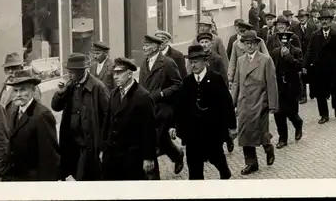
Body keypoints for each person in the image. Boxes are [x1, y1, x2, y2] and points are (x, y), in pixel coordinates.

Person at [170, 45, 237, 180]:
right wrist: (173, 125)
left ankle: (225, 174)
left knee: (217, 159)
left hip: (212, 132)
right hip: (192, 134)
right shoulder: (187, 82)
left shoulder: (216, 79)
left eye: (196, 62)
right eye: (191, 62)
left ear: (205, 61)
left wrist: (232, 126)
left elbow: (227, 103)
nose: (193, 65)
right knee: (194, 170)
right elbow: (179, 106)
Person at [51, 53, 110, 181]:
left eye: (72, 71)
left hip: (88, 143)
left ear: (82, 71)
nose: (69, 74)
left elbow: (108, 118)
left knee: (85, 176)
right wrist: (60, 93)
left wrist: (103, 146)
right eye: (69, 71)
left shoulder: (98, 88)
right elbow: (56, 107)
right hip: (72, 142)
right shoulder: (70, 85)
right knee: (71, 173)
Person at [100, 57, 157, 181]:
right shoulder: (114, 93)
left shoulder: (142, 96)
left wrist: (148, 157)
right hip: (113, 154)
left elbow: (149, 129)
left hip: (132, 156)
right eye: (114, 72)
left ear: (130, 74)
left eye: (119, 73)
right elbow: (107, 122)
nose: (115, 76)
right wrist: (103, 148)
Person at [231, 30, 278, 175]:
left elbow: (271, 82)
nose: (249, 46)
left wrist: (273, 104)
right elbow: (237, 82)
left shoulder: (265, 60)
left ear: (257, 44)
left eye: (252, 43)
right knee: (245, 133)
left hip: (260, 101)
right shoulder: (240, 61)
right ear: (243, 45)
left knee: (261, 131)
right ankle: (251, 163)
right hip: (244, 102)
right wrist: (233, 101)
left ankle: (268, 147)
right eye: (246, 43)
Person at [138, 35, 184, 176]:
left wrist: (162, 93)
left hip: (163, 109)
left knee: (153, 142)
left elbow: (178, 84)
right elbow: (141, 85)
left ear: (156, 47)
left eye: (147, 46)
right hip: (149, 109)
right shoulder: (144, 63)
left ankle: (152, 178)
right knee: (162, 140)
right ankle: (177, 155)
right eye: (144, 45)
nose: (144, 48)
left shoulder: (167, 63)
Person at [4, 68, 60, 181]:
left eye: (23, 90)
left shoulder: (42, 115)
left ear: (33, 90)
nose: (18, 94)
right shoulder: (13, 112)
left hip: (34, 180)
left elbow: (49, 156)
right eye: (15, 90)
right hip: (17, 178)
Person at [303, 9, 336, 124]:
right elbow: (309, 51)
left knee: (335, 93)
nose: (324, 22)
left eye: (326, 20)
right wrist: (305, 65)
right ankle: (324, 115)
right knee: (320, 94)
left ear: (330, 21)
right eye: (322, 20)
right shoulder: (315, 35)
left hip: (334, 70)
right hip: (319, 70)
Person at [197, 32, 234, 153]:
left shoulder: (216, 59)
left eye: (206, 42)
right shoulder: (196, 58)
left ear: (211, 44)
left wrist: (224, 92)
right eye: (202, 42)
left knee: (218, 121)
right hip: (202, 95)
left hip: (215, 95)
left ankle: (227, 137)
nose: (204, 45)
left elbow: (223, 77)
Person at [270, 32, 304, 149]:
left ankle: (298, 124)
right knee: (278, 114)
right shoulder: (275, 52)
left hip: (292, 88)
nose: (284, 43)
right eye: (282, 41)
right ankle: (282, 138)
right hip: (279, 88)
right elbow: (272, 68)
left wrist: (289, 57)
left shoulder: (296, 51)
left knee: (291, 113)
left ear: (290, 41)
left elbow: (300, 66)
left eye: (286, 41)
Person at [228, 21, 269, 87]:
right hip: (242, 75)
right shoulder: (236, 44)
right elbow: (232, 62)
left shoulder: (259, 41)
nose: (242, 35)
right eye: (241, 32)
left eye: (244, 32)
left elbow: (267, 58)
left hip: (257, 74)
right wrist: (230, 78)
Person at [290, 10, 318, 104]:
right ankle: (303, 96)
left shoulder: (313, 27)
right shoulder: (294, 28)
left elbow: (316, 42)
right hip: (299, 55)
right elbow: (293, 42)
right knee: (301, 75)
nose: (301, 18)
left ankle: (313, 92)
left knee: (312, 74)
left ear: (307, 17)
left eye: (303, 16)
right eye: (299, 17)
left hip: (310, 55)